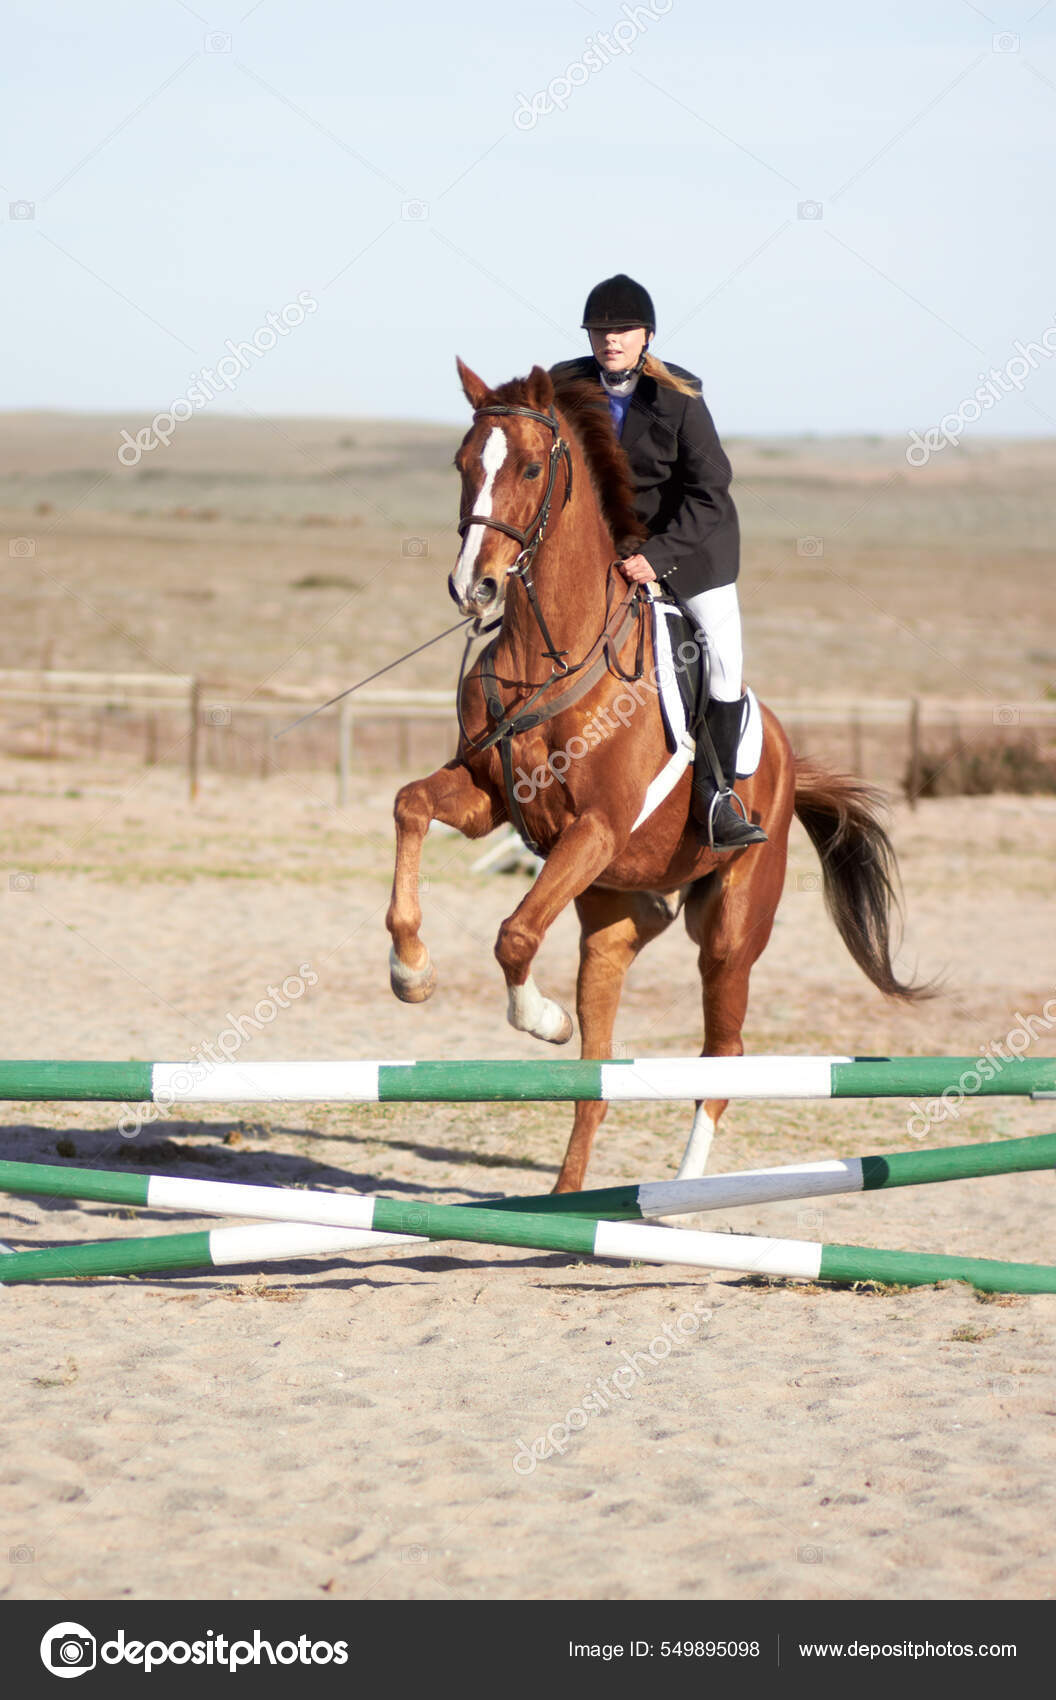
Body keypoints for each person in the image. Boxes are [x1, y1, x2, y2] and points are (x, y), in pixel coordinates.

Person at [550, 274, 766, 851]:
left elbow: (710, 491)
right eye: (599, 331)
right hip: (604, 553)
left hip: (690, 549)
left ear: (646, 335)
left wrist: (658, 557)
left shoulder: (679, 396)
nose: (610, 340)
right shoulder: (563, 384)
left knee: (723, 658)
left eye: (621, 330)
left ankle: (717, 797)